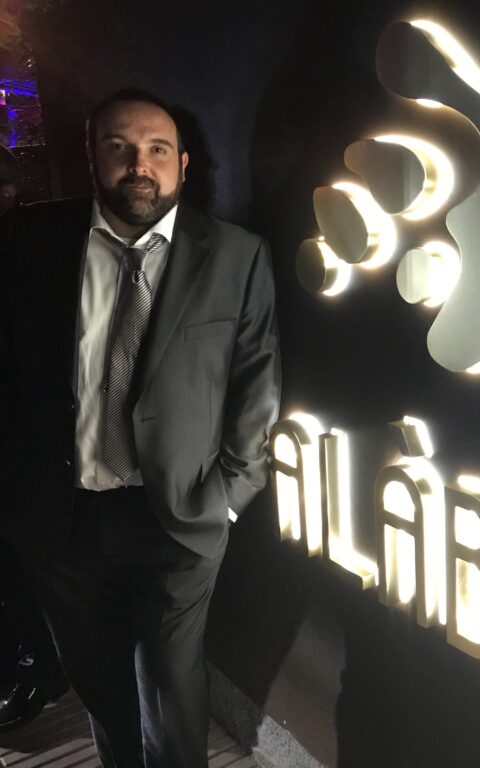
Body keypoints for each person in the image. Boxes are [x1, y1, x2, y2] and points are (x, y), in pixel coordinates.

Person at [0, 90, 281, 766]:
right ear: (91, 157)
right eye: (119, 148)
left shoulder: (236, 255)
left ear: (182, 163)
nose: (139, 165)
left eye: (157, 149)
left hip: (177, 516)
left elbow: (257, 386)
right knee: (99, 685)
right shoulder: (27, 241)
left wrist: (229, 498)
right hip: (61, 520)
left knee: (171, 692)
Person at [0, 144, 69, 730]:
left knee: (20, 565)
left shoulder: (29, 244)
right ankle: (37, 665)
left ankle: (40, 666)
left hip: (23, 440)